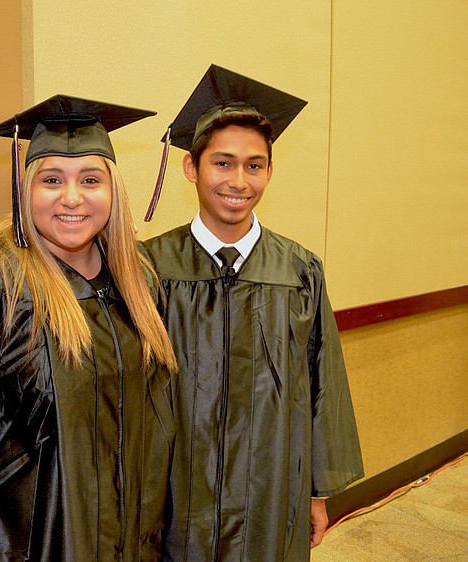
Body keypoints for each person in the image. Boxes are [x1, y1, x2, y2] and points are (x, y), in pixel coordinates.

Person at [142, 65, 364, 561]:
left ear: (268, 170)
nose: (238, 181)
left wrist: (317, 491)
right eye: (222, 163)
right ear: (191, 168)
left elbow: (322, 383)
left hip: (272, 487)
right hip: (178, 493)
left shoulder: (299, 270)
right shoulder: (149, 269)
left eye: (254, 165)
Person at [0, 95, 179, 561]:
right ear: (26, 190)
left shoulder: (138, 278)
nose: (72, 198)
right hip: (41, 539)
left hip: (133, 533)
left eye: (90, 179)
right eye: (51, 180)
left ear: (113, 191)